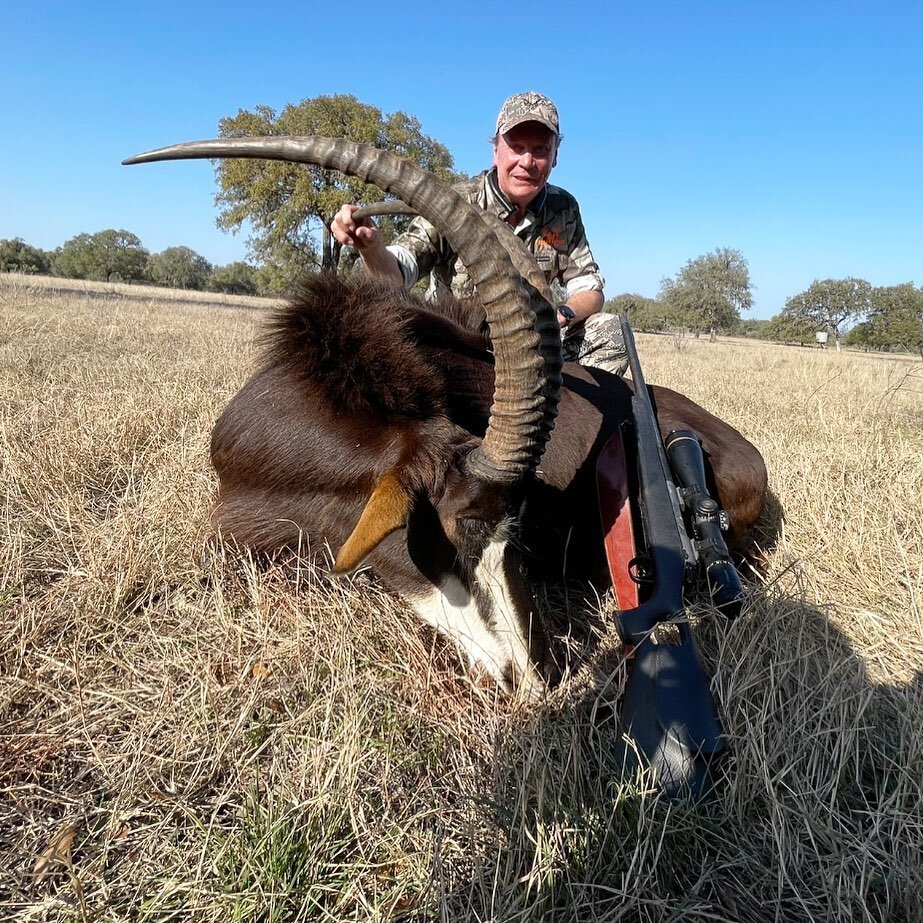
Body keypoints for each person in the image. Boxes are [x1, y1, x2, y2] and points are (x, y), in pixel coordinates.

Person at [330, 91, 627, 374]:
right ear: (495, 150)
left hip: (531, 345)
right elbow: (399, 269)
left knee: (611, 333)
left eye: (540, 150)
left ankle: (564, 421)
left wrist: (562, 314)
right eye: (517, 147)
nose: (527, 162)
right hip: (459, 346)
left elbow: (589, 288)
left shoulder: (564, 208)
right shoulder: (452, 202)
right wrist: (371, 248)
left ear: (555, 156)